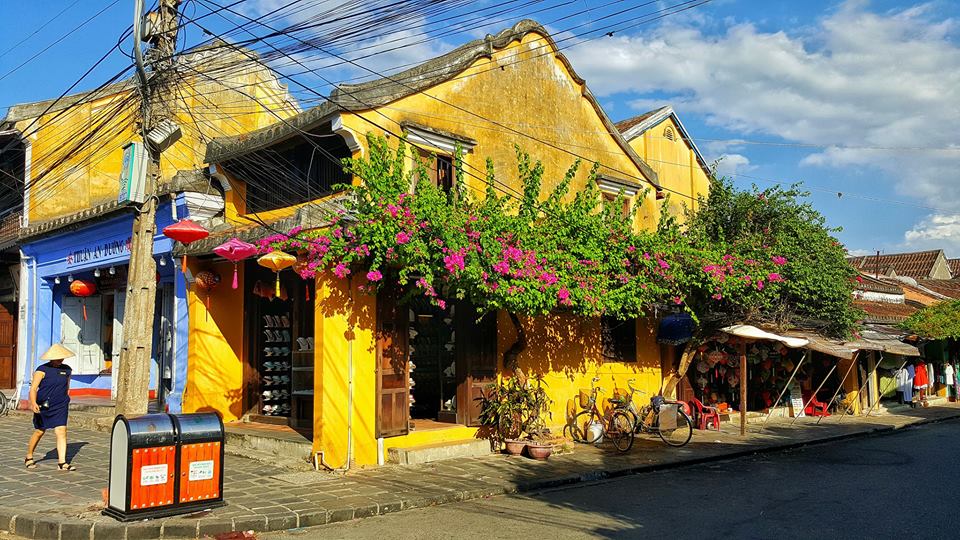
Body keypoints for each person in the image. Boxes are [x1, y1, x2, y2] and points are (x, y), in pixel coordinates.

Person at [24, 344, 76, 471]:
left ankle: (62, 462)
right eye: (58, 358)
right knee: (39, 431)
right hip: (44, 405)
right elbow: (33, 389)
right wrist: (33, 403)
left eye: (62, 358)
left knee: (61, 431)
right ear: (51, 358)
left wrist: (66, 399)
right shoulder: (42, 369)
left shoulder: (67, 370)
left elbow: (67, 387)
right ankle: (29, 456)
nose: (60, 360)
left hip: (60, 404)